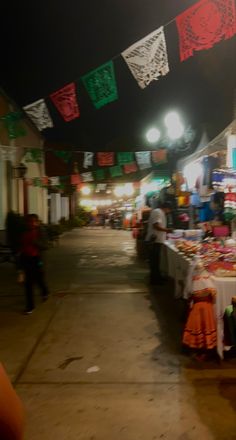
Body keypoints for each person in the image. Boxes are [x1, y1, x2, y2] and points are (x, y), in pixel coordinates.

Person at [20, 214, 49, 314]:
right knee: (28, 284)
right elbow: (20, 245)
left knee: (39, 279)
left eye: (34, 221)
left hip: (37, 259)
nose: (31, 223)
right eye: (29, 221)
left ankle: (45, 292)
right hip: (26, 259)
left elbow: (45, 245)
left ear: (37, 222)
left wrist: (34, 241)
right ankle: (30, 306)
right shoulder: (24, 231)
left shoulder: (41, 231)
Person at [146, 201, 173, 285]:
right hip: (154, 241)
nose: (169, 212)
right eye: (169, 210)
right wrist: (167, 230)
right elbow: (156, 226)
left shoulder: (160, 213)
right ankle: (154, 280)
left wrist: (166, 233)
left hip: (158, 240)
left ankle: (157, 277)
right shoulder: (157, 212)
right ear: (166, 208)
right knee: (154, 261)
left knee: (157, 261)